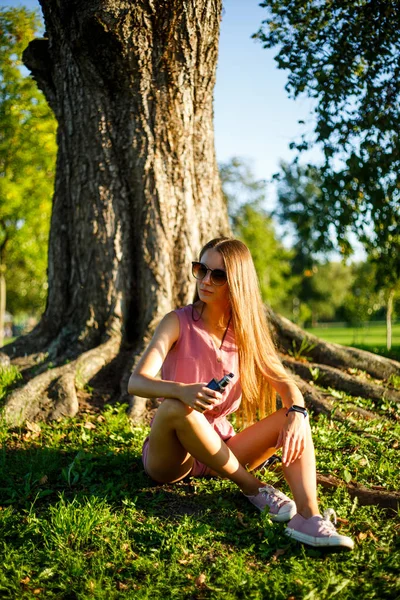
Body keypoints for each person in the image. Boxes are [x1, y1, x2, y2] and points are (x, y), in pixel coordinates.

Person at [128, 237, 354, 549]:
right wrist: (182, 391)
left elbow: (285, 383)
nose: (205, 280)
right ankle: (252, 487)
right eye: (201, 269)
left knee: (292, 417)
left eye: (217, 275)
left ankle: (309, 517)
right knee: (175, 407)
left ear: (236, 282)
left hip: (223, 448)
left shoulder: (245, 333)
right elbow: (136, 382)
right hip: (173, 456)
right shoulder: (177, 322)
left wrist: (298, 413)